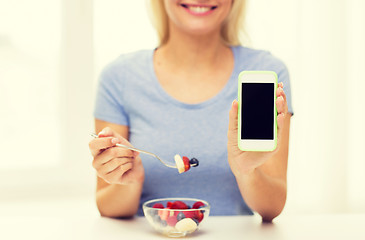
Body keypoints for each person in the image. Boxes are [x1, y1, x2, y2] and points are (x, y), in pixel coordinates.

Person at [88, 0, 293, 222]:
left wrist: (246, 171)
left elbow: (273, 207)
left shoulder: (266, 73)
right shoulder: (119, 77)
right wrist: (130, 180)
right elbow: (107, 206)